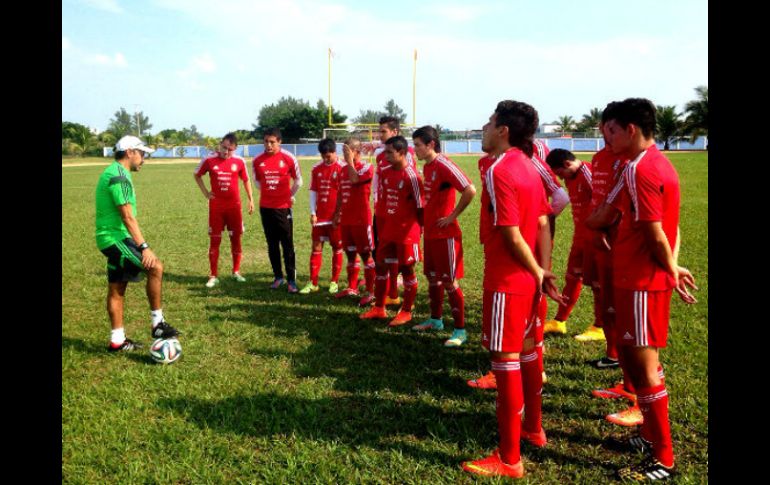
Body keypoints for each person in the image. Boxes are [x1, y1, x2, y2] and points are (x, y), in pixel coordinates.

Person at [586, 98, 697, 481]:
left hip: (642, 282)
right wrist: (595, 225)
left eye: (611, 131)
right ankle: (650, 437)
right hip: (633, 277)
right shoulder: (640, 166)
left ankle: (663, 459)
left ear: (631, 129)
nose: (607, 138)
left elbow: (656, 230)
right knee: (634, 362)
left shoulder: (643, 169)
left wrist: (670, 269)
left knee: (645, 368)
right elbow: (616, 216)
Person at [462, 101, 563, 478]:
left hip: (508, 280)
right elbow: (541, 221)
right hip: (530, 280)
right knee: (529, 354)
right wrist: (544, 270)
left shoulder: (500, 168)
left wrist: (536, 269)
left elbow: (511, 231)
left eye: (489, 123)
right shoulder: (528, 163)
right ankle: (534, 430)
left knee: (505, 366)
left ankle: (509, 459)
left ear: (503, 130)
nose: (484, 129)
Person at [95, 135, 180, 351]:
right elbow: (127, 216)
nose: (144, 158)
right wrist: (144, 247)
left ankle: (117, 341)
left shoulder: (116, 172)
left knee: (117, 288)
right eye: (142, 153)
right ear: (130, 151)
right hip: (115, 238)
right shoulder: (119, 177)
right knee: (155, 267)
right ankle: (157, 324)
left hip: (111, 238)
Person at [410, 125, 476, 347]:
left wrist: (452, 216)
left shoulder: (444, 164)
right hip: (430, 233)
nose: (415, 149)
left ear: (430, 144)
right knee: (432, 278)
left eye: (418, 145)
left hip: (446, 235)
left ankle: (460, 330)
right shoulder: (428, 167)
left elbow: (470, 189)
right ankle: (436, 320)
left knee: (449, 281)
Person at [360, 135, 424, 327]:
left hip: (407, 233)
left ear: (402, 152)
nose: (385, 156)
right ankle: (379, 307)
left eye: (389, 152)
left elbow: (421, 207)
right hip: (388, 230)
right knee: (380, 265)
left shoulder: (412, 176)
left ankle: (406, 311)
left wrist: (418, 233)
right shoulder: (386, 172)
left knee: (407, 270)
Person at [544, 148, 604, 340]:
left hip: (594, 237)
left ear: (567, 164)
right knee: (572, 277)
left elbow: (603, 201)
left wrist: (600, 231)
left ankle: (599, 327)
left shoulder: (587, 173)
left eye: (560, 173)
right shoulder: (571, 177)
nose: (560, 178)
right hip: (580, 236)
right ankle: (559, 321)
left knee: (597, 283)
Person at [194, 133, 254, 288]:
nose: (226, 152)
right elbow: (197, 175)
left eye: (230, 149)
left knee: (236, 239)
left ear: (235, 149)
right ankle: (213, 275)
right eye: (224, 147)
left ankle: (236, 272)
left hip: (234, 207)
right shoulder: (209, 160)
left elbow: (246, 180)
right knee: (215, 240)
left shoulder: (239, 161)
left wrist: (250, 199)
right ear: (220, 144)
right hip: (217, 208)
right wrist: (206, 193)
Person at [371, 116, 417, 307]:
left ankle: (405, 303)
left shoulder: (409, 158)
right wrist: (376, 201)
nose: (379, 135)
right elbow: (378, 181)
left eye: (383, 131)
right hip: (383, 214)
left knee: (405, 263)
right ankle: (388, 296)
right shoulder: (381, 156)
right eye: (379, 131)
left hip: (402, 221)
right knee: (382, 258)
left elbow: (414, 197)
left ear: (395, 132)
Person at [252, 128, 303, 293]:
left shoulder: (288, 158)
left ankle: (291, 281)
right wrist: (270, 193)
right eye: (266, 141)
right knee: (272, 244)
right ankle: (278, 277)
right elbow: (257, 183)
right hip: (266, 208)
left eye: (272, 142)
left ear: (279, 142)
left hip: (283, 208)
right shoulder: (257, 160)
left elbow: (298, 181)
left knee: (287, 244)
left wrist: (288, 195)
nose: (268, 145)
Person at [333, 138, 377, 306]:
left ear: (357, 152)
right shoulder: (343, 170)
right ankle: (352, 287)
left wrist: (350, 161)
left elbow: (354, 180)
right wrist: (337, 213)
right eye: (343, 152)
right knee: (350, 254)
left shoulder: (367, 167)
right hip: (346, 220)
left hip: (361, 220)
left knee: (366, 255)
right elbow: (340, 192)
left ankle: (371, 291)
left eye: (347, 151)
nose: (343, 155)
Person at [298, 138, 345, 294]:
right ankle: (313, 282)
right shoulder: (316, 168)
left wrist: (340, 214)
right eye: (323, 156)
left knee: (337, 247)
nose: (326, 158)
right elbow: (313, 191)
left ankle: (334, 282)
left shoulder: (342, 168)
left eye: (328, 155)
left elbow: (345, 193)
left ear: (334, 152)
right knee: (316, 247)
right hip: (320, 216)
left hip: (336, 216)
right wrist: (312, 212)